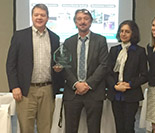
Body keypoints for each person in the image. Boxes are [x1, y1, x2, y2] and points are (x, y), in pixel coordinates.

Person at [6, 4, 62, 133]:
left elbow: (58, 62)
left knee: (46, 128)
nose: (39, 18)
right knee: (26, 128)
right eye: (36, 15)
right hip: (26, 91)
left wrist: (59, 69)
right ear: (32, 17)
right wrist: (14, 86)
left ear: (47, 18)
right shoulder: (20, 36)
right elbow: (11, 64)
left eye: (42, 15)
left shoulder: (54, 38)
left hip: (47, 90)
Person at [57, 9, 108, 133]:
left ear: (91, 22)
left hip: (94, 91)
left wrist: (87, 84)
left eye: (86, 19)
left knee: (94, 128)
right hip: (73, 92)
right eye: (79, 19)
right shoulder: (68, 42)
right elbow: (65, 66)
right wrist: (76, 84)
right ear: (75, 22)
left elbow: (104, 65)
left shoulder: (100, 40)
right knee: (70, 129)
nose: (82, 22)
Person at [106, 20, 148, 133]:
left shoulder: (139, 51)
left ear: (133, 34)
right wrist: (115, 86)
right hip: (115, 94)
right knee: (118, 126)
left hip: (131, 94)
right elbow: (108, 72)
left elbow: (144, 75)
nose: (123, 34)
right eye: (122, 31)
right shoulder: (114, 50)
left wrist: (129, 84)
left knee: (128, 126)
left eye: (127, 32)